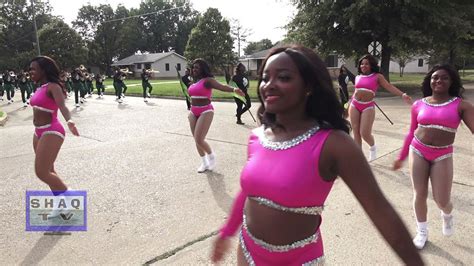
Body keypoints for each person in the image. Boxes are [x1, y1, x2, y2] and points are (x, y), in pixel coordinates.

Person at [211, 46, 423, 265]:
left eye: (283, 77)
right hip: (247, 251)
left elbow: (382, 213)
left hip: (300, 260)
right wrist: (227, 231)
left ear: (309, 85)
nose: (269, 84)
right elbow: (249, 192)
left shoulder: (334, 144)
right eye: (265, 77)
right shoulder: (257, 137)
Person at [393, 64, 474, 249]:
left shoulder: (461, 105)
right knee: (419, 193)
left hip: (443, 155)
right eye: (435, 77)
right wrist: (402, 156)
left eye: (444, 77)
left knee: (442, 200)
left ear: (451, 81)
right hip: (418, 150)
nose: (438, 81)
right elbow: (411, 132)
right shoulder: (418, 104)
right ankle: (422, 231)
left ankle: (447, 215)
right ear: (430, 81)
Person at [29, 56, 79, 216]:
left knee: (41, 172)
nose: (30, 72)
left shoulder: (53, 86)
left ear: (44, 70)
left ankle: (70, 195)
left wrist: (70, 121)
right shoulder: (39, 87)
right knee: (49, 169)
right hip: (38, 132)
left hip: (52, 130)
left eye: (33, 69)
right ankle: (60, 202)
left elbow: (62, 106)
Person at [349, 54, 412, 161]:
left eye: (366, 64)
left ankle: (373, 147)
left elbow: (389, 86)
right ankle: (358, 159)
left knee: (364, 133)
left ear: (371, 65)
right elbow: (356, 91)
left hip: (367, 107)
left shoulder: (377, 76)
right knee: (356, 132)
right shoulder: (358, 77)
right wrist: (347, 105)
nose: (363, 66)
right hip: (354, 105)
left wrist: (402, 95)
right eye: (362, 64)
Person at [188, 59, 244, 173]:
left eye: (197, 67)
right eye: (193, 67)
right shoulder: (194, 82)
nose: (194, 69)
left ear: (202, 69)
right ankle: (204, 162)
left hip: (206, 111)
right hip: (193, 111)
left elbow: (221, 86)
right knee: (196, 139)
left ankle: (211, 155)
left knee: (199, 138)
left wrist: (234, 89)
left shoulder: (207, 81)